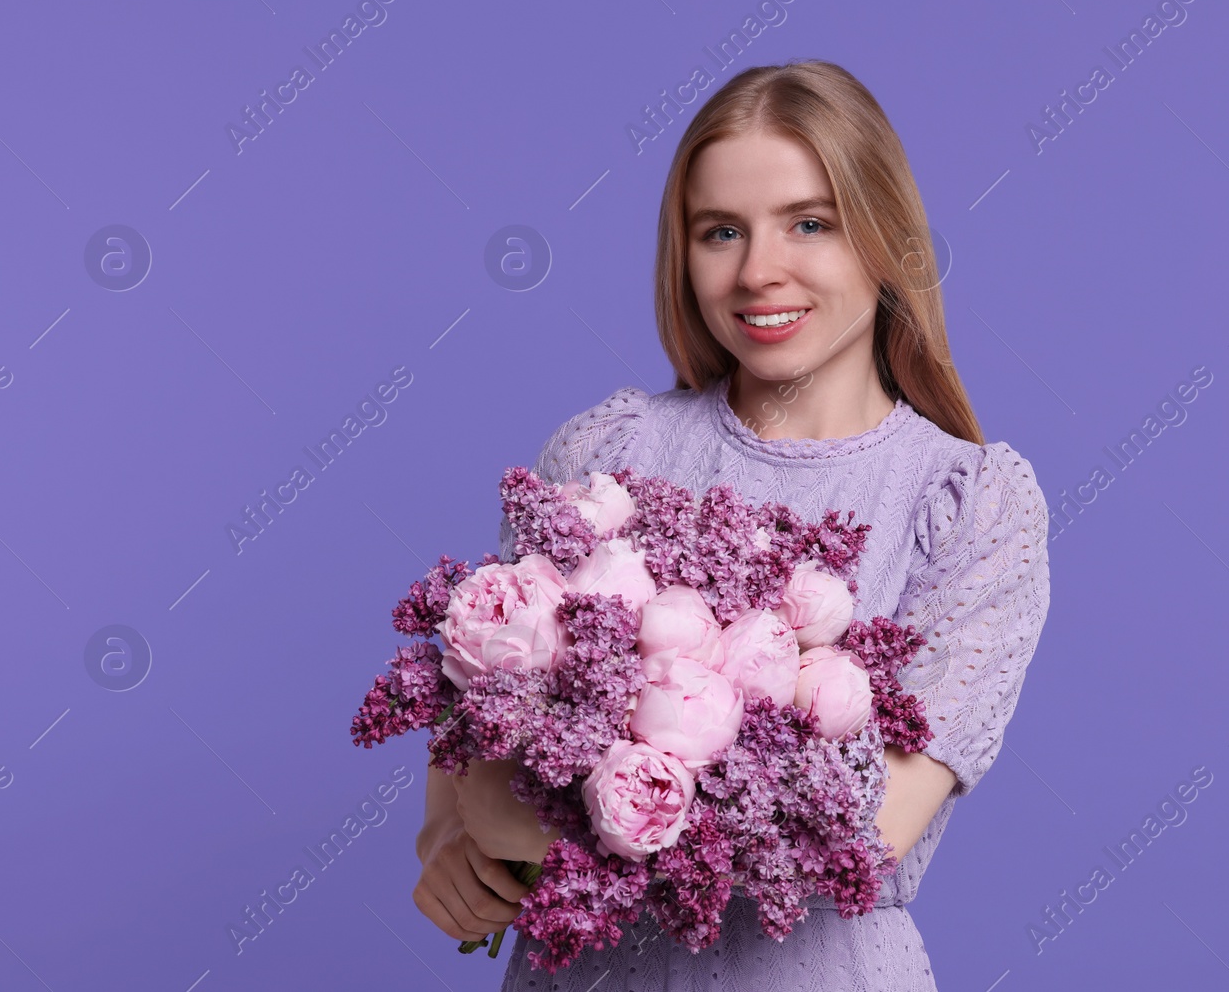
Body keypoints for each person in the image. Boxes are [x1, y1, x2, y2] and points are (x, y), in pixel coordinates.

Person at [412, 59, 1052, 990]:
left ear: (885, 237)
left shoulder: (967, 502)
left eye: (809, 223)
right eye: (721, 231)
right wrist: (449, 835)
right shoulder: (606, 454)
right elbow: (475, 701)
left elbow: (862, 834)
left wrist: (518, 819)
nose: (758, 271)